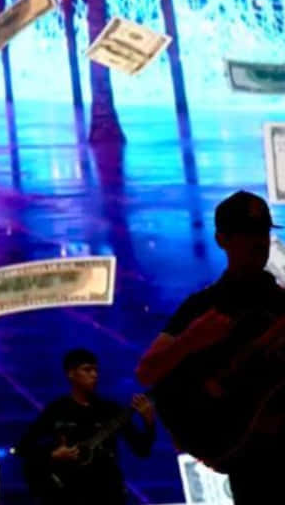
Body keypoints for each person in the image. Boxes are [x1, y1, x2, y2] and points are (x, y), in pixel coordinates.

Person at [136, 190, 285, 504]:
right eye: (246, 233)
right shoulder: (202, 307)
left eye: (262, 231)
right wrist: (190, 340)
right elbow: (148, 372)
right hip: (250, 462)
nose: (258, 242)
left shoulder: (280, 301)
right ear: (222, 239)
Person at [16, 348, 155, 505]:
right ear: (71, 374)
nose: (94, 375)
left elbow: (142, 450)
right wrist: (53, 455)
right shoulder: (56, 410)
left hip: (108, 494)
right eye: (87, 370)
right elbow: (23, 448)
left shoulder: (111, 410)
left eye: (96, 370)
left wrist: (149, 422)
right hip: (67, 495)